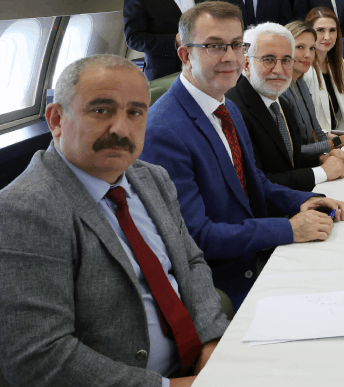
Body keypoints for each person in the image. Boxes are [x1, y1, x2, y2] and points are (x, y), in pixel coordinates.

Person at [0, 55, 228, 387]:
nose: (120, 128)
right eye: (101, 110)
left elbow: (190, 263)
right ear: (56, 119)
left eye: (135, 112)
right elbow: (39, 357)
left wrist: (212, 342)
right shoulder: (25, 209)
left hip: (196, 366)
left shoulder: (152, 178)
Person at [141, 1, 344, 310]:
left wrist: (303, 200)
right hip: (226, 283)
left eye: (237, 45)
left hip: (258, 253)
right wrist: (289, 229)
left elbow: (255, 184)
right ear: (186, 55)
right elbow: (197, 236)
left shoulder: (227, 109)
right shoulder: (163, 130)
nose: (230, 57)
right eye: (214, 46)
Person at [224, 23, 344, 192]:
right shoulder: (233, 110)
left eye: (286, 60)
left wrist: (321, 159)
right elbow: (253, 183)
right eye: (268, 59)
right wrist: (320, 173)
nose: (278, 69)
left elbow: (289, 161)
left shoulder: (281, 104)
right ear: (247, 64)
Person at [282, 19, 344, 148]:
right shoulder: (280, 91)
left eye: (312, 48)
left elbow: (318, 133)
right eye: (300, 47)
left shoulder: (300, 84)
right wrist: (343, 141)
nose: (308, 54)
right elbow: (292, 152)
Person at [302, 7, 344, 132]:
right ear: (309, 33)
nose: (327, 37)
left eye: (332, 30)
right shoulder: (304, 68)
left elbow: (340, 113)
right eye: (320, 30)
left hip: (337, 134)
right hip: (317, 140)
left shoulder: (338, 64)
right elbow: (304, 122)